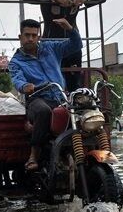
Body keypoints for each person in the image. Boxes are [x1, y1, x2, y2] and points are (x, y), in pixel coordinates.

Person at [8, 17, 82, 172]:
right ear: (20, 37)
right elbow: (17, 79)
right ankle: (33, 155)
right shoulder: (16, 61)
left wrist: (70, 29)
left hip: (61, 97)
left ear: (39, 37)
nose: (30, 39)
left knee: (85, 108)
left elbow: (76, 45)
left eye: (34, 35)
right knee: (43, 111)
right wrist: (25, 86)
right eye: (27, 35)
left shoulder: (51, 48)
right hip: (37, 98)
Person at [23, 0, 107, 92]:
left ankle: (76, 107)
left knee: (74, 83)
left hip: (71, 42)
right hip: (49, 42)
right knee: (50, 83)